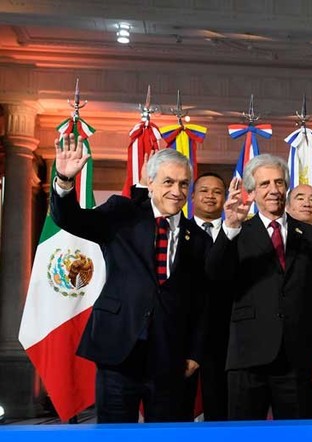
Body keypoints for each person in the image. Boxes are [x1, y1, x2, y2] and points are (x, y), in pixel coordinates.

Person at [50, 137, 209, 423]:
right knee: (115, 441)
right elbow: (70, 219)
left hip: (170, 357)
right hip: (119, 350)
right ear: (151, 182)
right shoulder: (121, 214)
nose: (177, 191)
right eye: (168, 182)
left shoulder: (196, 237)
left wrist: (196, 352)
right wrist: (64, 181)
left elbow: (201, 301)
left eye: (184, 184)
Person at [206, 154, 312, 420]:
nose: (273, 190)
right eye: (264, 184)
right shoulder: (235, 231)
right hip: (247, 357)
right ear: (251, 192)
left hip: (298, 359)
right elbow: (214, 277)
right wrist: (230, 226)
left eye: (278, 182)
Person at [188, 172, 231, 420]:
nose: (210, 196)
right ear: (192, 196)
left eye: (217, 191)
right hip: (184, 336)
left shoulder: (238, 232)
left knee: (221, 410)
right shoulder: (177, 231)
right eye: (204, 190)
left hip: (225, 335)